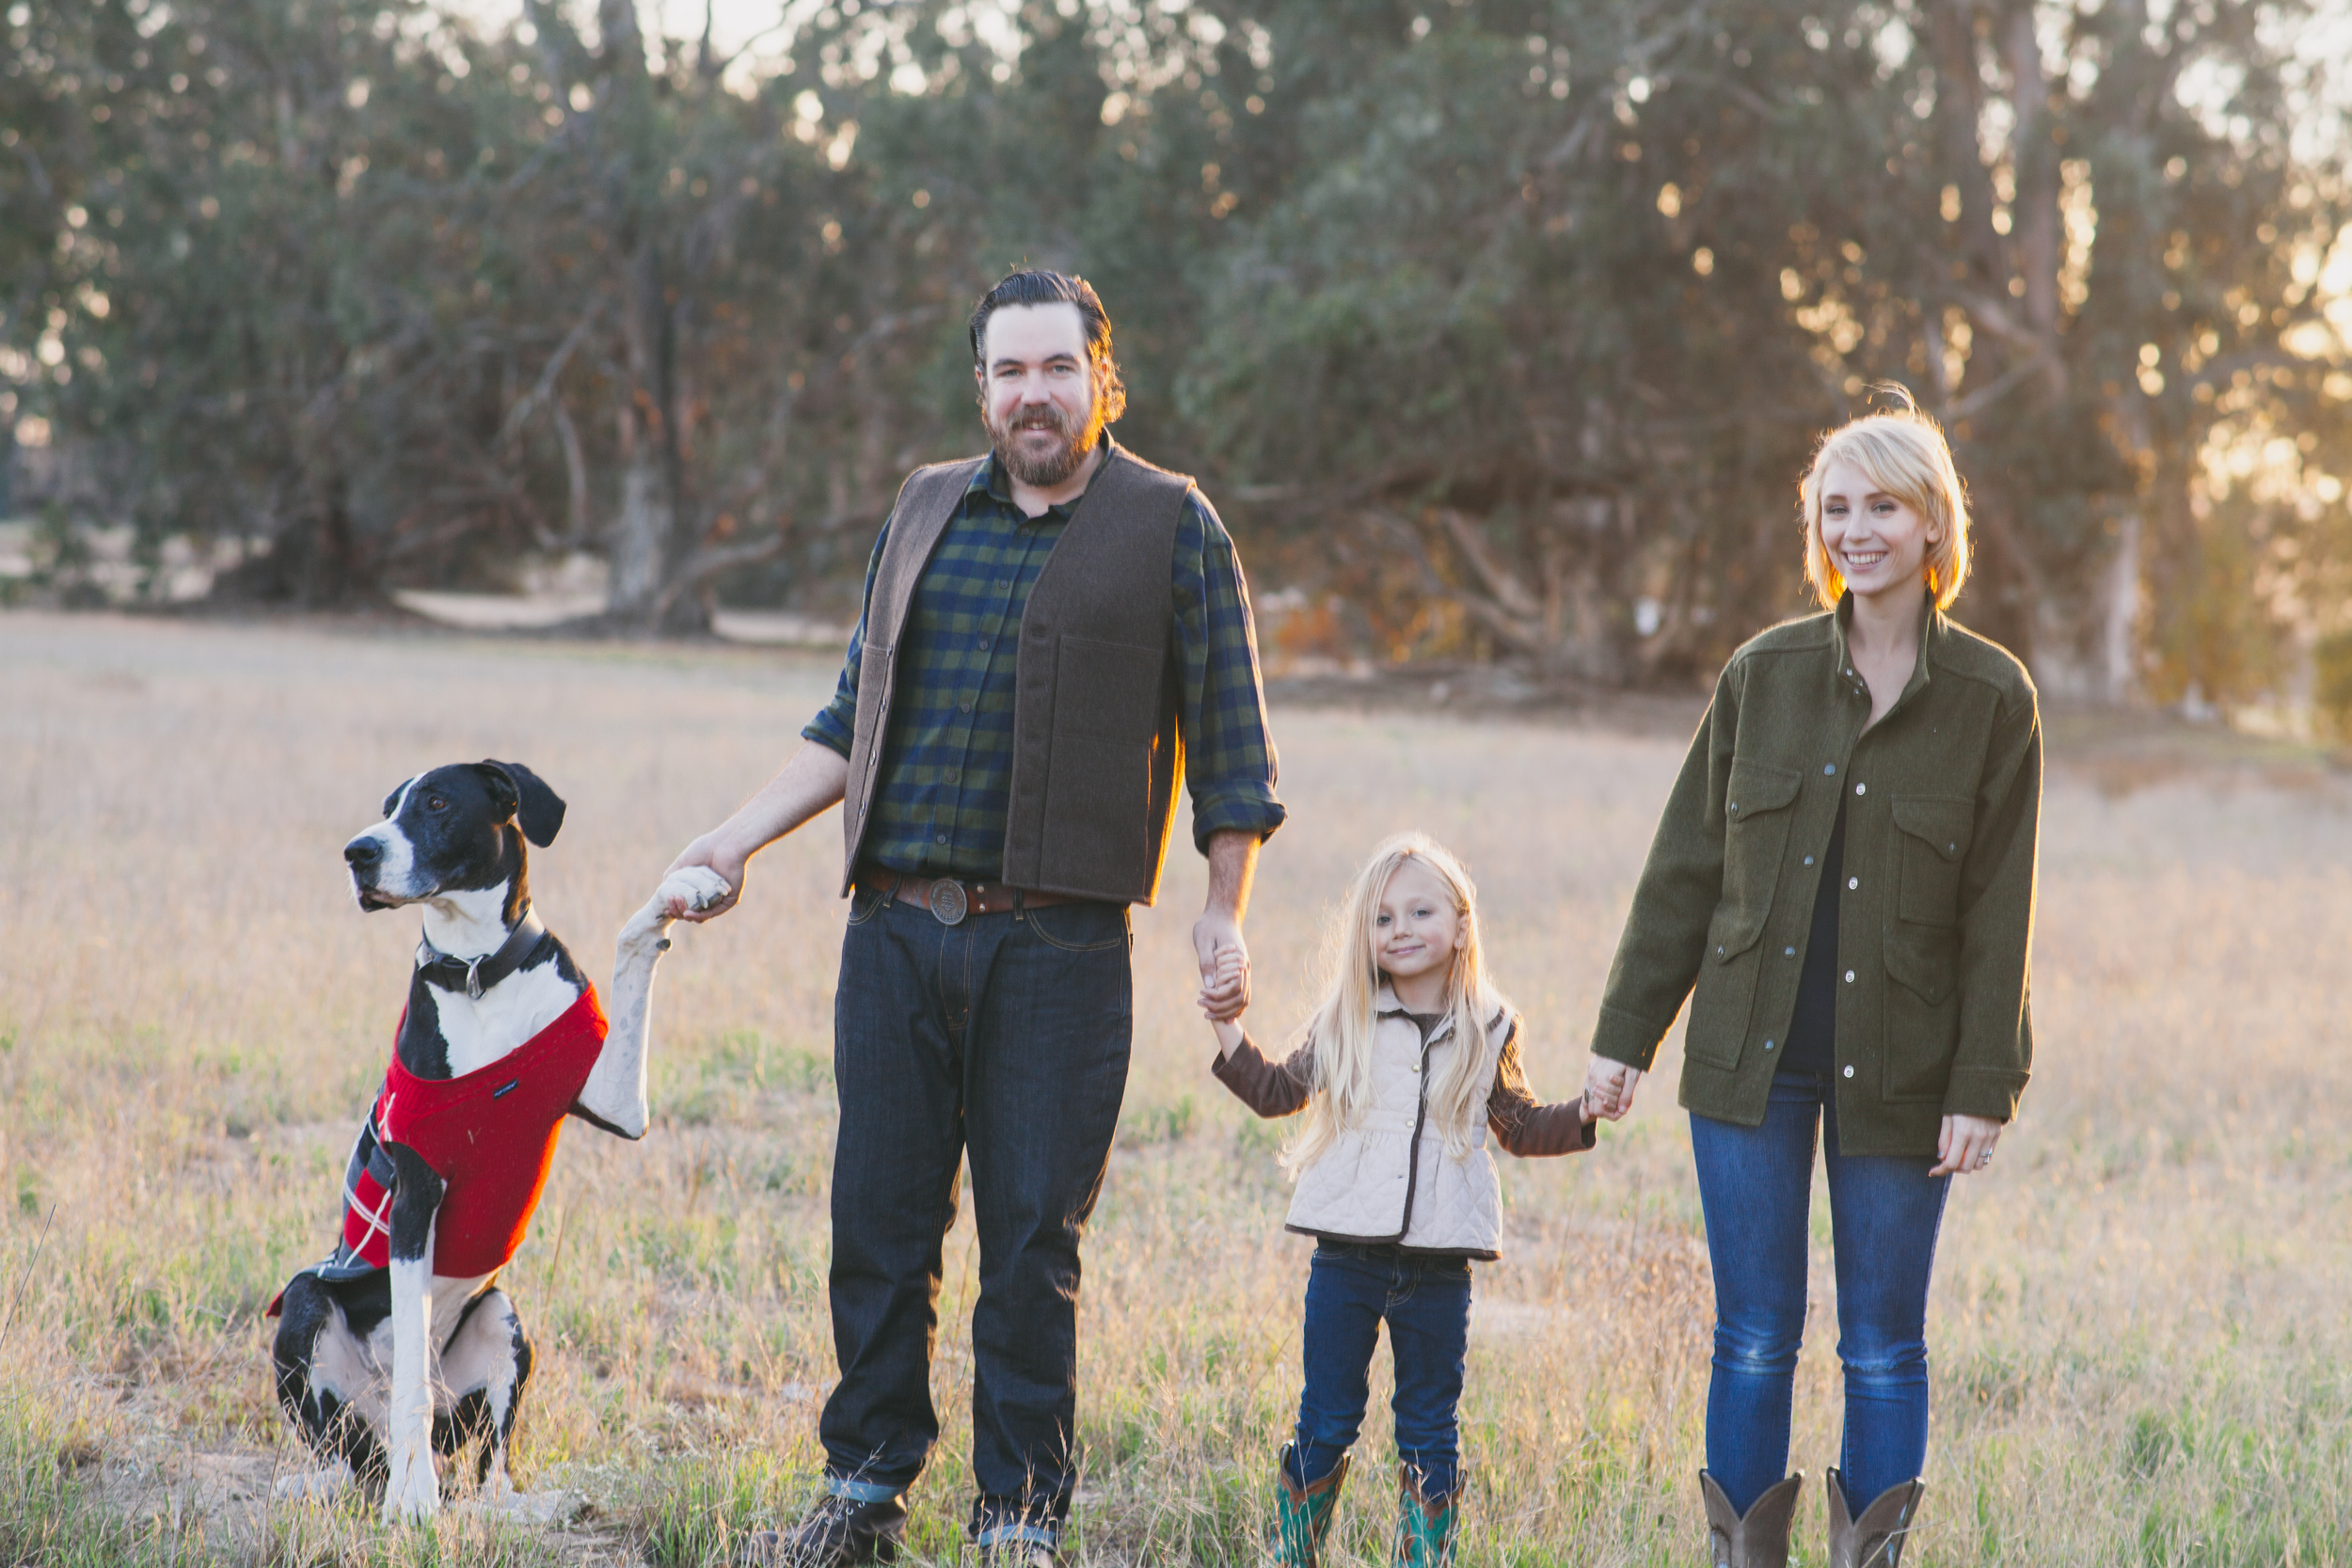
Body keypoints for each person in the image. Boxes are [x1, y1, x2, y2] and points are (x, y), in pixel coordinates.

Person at [662, 269, 1285, 1568]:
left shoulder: (1176, 527)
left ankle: (1017, 1514)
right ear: (983, 387)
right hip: (890, 934)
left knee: (1030, 1244)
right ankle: (865, 1483)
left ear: (1102, 377)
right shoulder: (924, 506)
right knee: (877, 1225)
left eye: (1057, 368)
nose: (1033, 394)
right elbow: (851, 719)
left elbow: (1233, 755)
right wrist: (731, 838)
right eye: (1009, 371)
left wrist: (1224, 910)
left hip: (1057, 949)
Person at [1581, 398, 2041, 1568]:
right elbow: (1684, 866)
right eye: (1835, 508)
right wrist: (1625, 1034)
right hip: (1748, 1062)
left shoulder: (1993, 699)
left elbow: (2000, 910)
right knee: (1752, 1335)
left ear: (1934, 522)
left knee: (1883, 1344)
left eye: (1881, 505)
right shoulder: (1760, 673)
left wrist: (1983, 1081)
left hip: (1906, 1068)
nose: (1855, 529)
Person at [1205, 833, 1596, 1567]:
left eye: (1421, 911)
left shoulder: (1489, 1024)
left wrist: (1585, 1112)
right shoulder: (1346, 1016)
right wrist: (1226, 1022)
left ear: (1460, 924)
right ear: (1365, 933)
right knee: (1326, 1417)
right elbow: (1277, 1093)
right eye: (1383, 917)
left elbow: (1520, 1124)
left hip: (1439, 1268)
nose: (1401, 928)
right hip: (1345, 1258)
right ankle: (1294, 1554)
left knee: (1428, 1429)